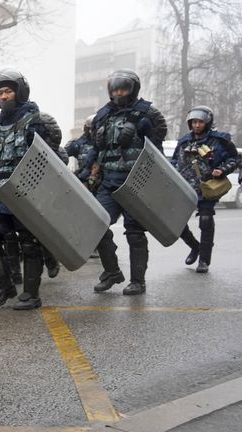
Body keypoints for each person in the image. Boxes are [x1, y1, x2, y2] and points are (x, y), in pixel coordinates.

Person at [0, 68, 64, 310]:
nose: (3, 96)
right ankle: (5, 287)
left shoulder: (36, 122)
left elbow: (49, 160)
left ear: (20, 93)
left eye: (8, 91)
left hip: (26, 192)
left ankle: (31, 294)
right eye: (0, 93)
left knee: (28, 242)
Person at [85, 69, 167, 295]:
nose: (118, 93)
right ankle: (112, 272)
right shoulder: (103, 115)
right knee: (96, 225)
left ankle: (138, 281)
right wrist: (86, 173)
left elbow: (156, 150)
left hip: (134, 182)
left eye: (123, 88)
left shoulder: (147, 114)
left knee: (134, 232)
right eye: (115, 89)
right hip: (108, 181)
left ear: (133, 89)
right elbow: (96, 149)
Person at [173, 106, 238, 273]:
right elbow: (173, 163)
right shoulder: (184, 141)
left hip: (206, 187)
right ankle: (195, 247)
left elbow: (234, 158)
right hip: (185, 187)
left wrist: (222, 170)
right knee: (176, 222)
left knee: (206, 221)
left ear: (207, 122)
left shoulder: (220, 140)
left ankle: (204, 260)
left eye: (200, 122)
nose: (196, 125)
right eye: (194, 122)